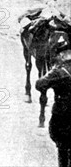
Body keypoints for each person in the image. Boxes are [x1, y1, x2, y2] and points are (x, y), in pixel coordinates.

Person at [36, 35, 71, 167]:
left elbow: (40, 84)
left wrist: (52, 72)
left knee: (63, 150)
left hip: (63, 118)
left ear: (61, 56)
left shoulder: (59, 72)